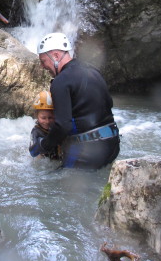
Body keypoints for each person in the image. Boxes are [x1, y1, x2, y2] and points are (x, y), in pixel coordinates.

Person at [35, 32, 120, 169]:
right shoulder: (93, 71)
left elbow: (63, 125)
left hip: (86, 152)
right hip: (112, 145)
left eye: (43, 61)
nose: (42, 66)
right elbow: (109, 104)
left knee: (59, 186)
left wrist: (43, 145)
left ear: (55, 56)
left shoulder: (60, 81)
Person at [29, 90, 62, 161]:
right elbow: (32, 152)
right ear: (36, 116)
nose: (47, 121)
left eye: (50, 117)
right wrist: (42, 143)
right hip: (43, 161)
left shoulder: (57, 127)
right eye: (43, 118)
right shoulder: (36, 131)